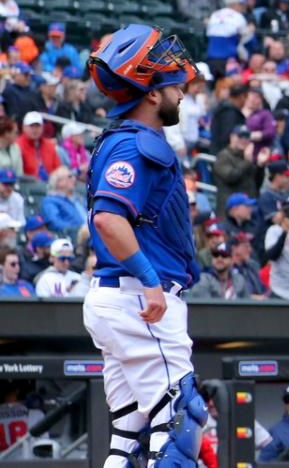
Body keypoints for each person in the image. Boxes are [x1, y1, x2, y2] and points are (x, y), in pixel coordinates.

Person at [82, 24, 207, 466]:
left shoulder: (121, 140)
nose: (182, 92)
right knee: (181, 421)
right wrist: (150, 281)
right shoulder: (139, 144)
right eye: (175, 85)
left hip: (117, 297)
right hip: (140, 299)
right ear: (152, 94)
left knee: (129, 435)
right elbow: (109, 219)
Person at [212, 125, 257, 215]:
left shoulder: (247, 156)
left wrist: (260, 166)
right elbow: (230, 176)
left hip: (246, 207)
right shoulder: (223, 156)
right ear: (232, 137)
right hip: (228, 210)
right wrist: (247, 162)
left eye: (246, 137)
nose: (244, 140)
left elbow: (256, 183)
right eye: (240, 136)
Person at [39, 166, 84, 238]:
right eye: (70, 177)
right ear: (59, 182)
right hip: (74, 237)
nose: (74, 179)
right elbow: (54, 223)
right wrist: (79, 229)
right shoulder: (50, 201)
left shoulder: (79, 198)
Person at [18, 111, 61, 181]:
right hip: (28, 184)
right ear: (23, 127)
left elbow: (58, 168)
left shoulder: (49, 145)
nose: (35, 130)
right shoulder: (18, 145)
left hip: (50, 183)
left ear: (42, 127)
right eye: (31, 126)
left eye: (37, 126)